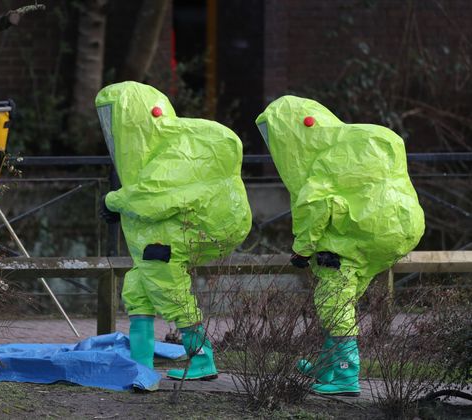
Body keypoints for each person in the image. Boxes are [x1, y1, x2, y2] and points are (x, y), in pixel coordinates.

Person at [255, 95, 425, 396]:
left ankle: (345, 374)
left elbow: (315, 207)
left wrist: (302, 250)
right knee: (339, 300)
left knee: (334, 302)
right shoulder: (355, 142)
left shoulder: (323, 159)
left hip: (348, 241)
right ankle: (328, 366)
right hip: (396, 230)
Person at [95, 81, 251, 382]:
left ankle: (202, 357)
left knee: (169, 288)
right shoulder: (163, 150)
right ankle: (140, 366)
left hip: (174, 237)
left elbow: (152, 197)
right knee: (138, 287)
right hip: (168, 234)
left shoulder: (175, 150)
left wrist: (113, 200)